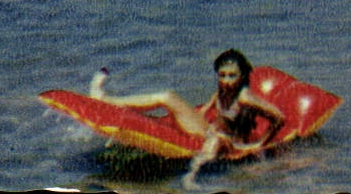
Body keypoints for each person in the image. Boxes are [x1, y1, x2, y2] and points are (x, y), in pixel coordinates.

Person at [94, 48, 287, 186]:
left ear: (243, 76)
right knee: (167, 96)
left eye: (232, 76)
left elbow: (279, 118)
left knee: (214, 141)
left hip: (228, 144)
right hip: (209, 129)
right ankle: (104, 99)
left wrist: (260, 143)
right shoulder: (224, 89)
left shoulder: (246, 97)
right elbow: (214, 102)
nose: (226, 81)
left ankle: (190, 177)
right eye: (222, 75)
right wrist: (199, 115)